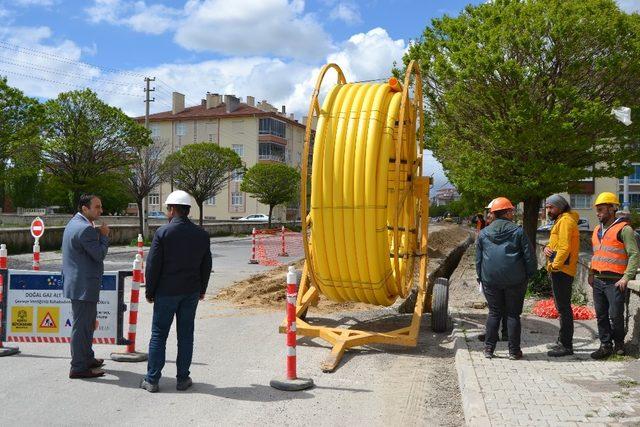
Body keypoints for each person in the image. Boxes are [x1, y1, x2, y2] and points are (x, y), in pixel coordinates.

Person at [140, 190, 213, 392]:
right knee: (186, 335)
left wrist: (150, 291)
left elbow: (153, 266)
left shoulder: (163, 233)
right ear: (187, 210)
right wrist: (202, 289)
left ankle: (152, 380)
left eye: (167, 209)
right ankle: (182, 379)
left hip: (166, 292)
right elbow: (206, 265)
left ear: (172, 209)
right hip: (190, 292)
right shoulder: (201, 234)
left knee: (158, 335)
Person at [476, 197, 537, 360]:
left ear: (494, 214)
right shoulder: (518, 232)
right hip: (515, 280)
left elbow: (478, 259)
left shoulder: (483, 233)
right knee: (512, 315)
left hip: (491, 279)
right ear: (508, 212)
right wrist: (530, 275)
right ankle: (514, 351)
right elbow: (529, 256)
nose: (513, 213)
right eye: (512, 211)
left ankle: (489, 349)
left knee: (494, 313)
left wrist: (480, 277)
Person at [62, 194, 110, 379]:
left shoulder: (75, 223)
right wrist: (104, 237)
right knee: (82, 327)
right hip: (83, 286)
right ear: (85, 208)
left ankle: (87, 357)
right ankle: (78, 367)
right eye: (97, 207)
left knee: (87, 324)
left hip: (78, 284)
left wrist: (97, 233)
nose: (101, 210)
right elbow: (99, 255)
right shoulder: (84, 229)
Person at [589, 192, 639, 359]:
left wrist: (626, 277)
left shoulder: (625, 230)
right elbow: (595, 254)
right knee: (601, 315)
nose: (598, 213)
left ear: (612, 209)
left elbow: (634, 254)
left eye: (601, 209)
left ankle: (619, 343)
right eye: (597, 210)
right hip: (598, 280)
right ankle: (605, 345)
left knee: (615, 315)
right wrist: (591, 273)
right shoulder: (596, 230)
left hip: (615, 281)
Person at [543, 194, 580, 357]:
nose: (548, 210)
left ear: (560, 207)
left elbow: (564, 248)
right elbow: (556, 245)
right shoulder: (562, 220)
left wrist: (554, 266)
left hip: (561, 271)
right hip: (561, 269)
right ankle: (562, 341)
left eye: (551, 207)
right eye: (547, 207)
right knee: (561, 307)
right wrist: (546, 249)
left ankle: (566, 345)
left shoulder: (565, 221)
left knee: (564, 308)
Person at [477, 199, 508, 343]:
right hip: (505, 275)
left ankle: (494, 336)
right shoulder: (515, 230)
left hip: (492, 276)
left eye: (490, 214)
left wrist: (480, 275)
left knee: (496, 309)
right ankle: (500, 334)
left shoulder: (486, 233)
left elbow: (480, 257)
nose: (488, 216)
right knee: (500, 308)